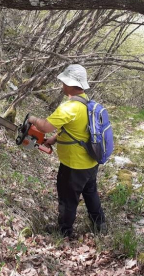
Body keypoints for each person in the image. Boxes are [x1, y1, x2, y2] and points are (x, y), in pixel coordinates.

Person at [28, 64, 106, 239]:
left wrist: (32, 118)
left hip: (73, 165)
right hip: (90, 162)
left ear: (71, 84)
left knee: (68, 198)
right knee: (90, 192)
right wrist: (55, 139)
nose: (62, 85)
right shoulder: (88, 104)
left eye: (64, 82)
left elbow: (45, 126)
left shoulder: (70, 107)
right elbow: (77, 129)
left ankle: (64, 231)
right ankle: (100, 225)